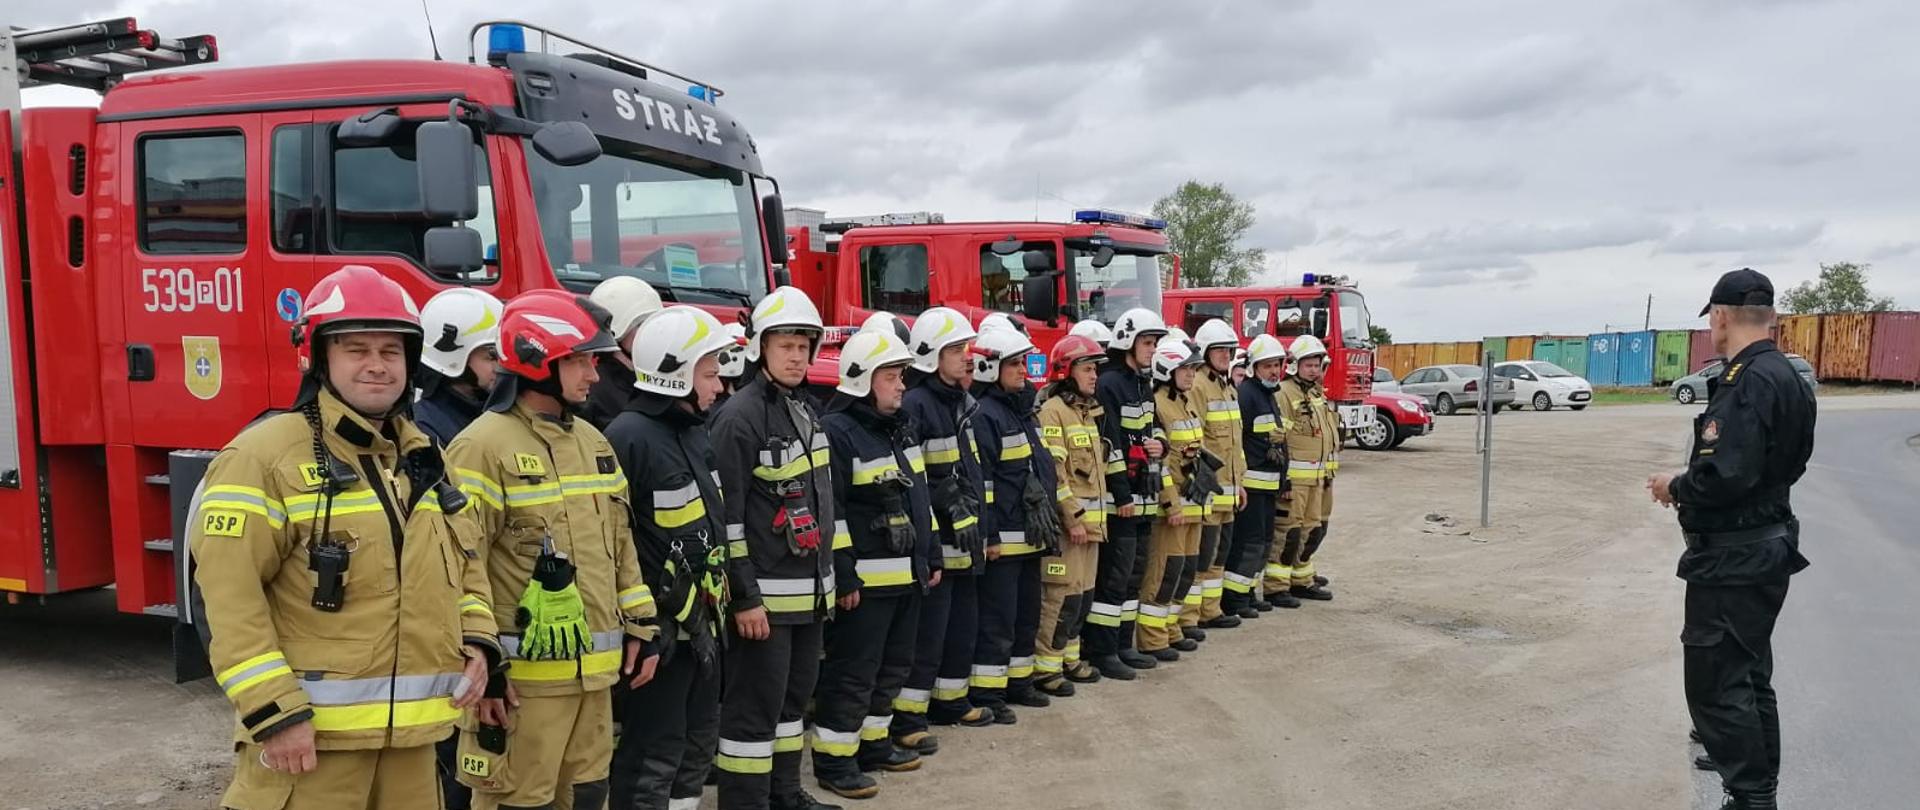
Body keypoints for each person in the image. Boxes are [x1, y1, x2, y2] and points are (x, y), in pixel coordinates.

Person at [191, 265, 496, 810]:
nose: (377, 366)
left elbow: (464, 561)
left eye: (391, 351)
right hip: (309, 749)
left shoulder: (426, 456)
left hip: (413, 746)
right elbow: (228, 601)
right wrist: (273, 712)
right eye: (356, 349)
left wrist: (476, 640)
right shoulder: (261, 457)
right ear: (319, 357)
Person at [447, 290, 661, 810]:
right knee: (519, 800)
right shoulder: (480, 447)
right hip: (522, 690)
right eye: (582, 361)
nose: (594, 375)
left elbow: (619, 545)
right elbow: (456, 565)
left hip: (593, 679)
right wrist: (484, 668)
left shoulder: (593, 441)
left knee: (588, 794)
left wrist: (642, 626)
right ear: (538, 360)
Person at [1647, 268, 1814, 810]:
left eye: (1712, 321)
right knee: (1749, 676)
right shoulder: (1786, 375)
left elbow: (1725, 476)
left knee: (1719, 686)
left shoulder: (1748, 381)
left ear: (1719, 317)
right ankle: (1757, 791)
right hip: (1763, 547)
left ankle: (1748, 797)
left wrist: (1675, 485)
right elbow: (1786, 464)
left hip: (1735, 559)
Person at [708, 287, 841, 810]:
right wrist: (745, 598)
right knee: (752, 712)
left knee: (791, 706)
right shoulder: (739, 418)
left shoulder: (801, 410)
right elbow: (729, 521)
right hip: (765, 603)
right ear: (759, 348)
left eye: (804, 346)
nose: (796, 356)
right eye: (785, 344)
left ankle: (785, 794)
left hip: (807, 600)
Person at [605, 306, 739, 810]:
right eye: (709, 374)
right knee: (653, 752)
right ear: (675, 372)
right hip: (659, 633)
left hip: (702, 625)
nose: (720, 387)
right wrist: (645, 627)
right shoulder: (628, 437)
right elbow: (618, 545)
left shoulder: (693, 432)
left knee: (696, 745)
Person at [812, 327, 938, 799]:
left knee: (892, 667)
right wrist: (844, 575)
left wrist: (929, 555)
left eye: (902, 374)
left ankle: (873, 744)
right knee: (854, 671)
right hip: (865, 583)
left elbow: (919, 499)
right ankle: (834, 760)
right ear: (863, 379)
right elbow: (834, 511)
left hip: (905, 575)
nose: (902, 384)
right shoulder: (838, 433)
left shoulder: (898, 427)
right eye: (891, 375)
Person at [893, 307, 995, 746]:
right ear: (932, 357)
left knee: (961, 628)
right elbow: (912, 479)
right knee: (927, 637)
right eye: (956, 350)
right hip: (938, 543)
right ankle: (908, 721)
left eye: (966, 348)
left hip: (966, 541)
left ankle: (951, 702)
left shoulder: (961, 403)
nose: (966, 357)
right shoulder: (918, 405)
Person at [968, 325, 1061, 718]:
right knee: (998, 620)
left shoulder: (1020, 411)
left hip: (1029, 535)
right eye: (1015, 364)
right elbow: (984, 482)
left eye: (1024, 362)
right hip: (1003, 542)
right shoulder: (986, 414)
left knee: (1026, 615)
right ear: (991, 368)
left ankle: (1019, 683)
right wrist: (989, 535)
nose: (1024, 370)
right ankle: (990, 694)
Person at [1086, 309, 1170, 678]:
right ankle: (1102, 652)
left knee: (1135, 575)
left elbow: (1156, 427)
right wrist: (1121, 497)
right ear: (1128, 343)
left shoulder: (1142, 383)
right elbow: (1112, 446)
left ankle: (1123, 644)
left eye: (1154, 344)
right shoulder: (1110, 385)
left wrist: (1161, 447)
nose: (1153, 350)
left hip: (1145, 495)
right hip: (1123, 503)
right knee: (1115, 577)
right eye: (1148, 343)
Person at [1031, 335, 1111, 693]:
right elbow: (1055, 474)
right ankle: (1046, 668)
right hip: (1071, 529)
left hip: (1092, 527)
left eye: (1096, 369)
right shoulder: (1053, 412)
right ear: (1066, 371)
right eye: (1088, 368)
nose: (1095, 376)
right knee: (1059, 596)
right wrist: (1073, 518)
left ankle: (1068, 658)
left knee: (1082, 595)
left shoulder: (1085, 411)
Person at [1138, 336, 1210, 660]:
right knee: (1164, 571)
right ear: (1167, 367)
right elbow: (1160, 461)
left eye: (1194, 369)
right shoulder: (1157, 405)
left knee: (1185, 568)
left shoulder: (1186, 401)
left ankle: (1171, 627)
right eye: (1186, 369)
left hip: (1194, 501)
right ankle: (1152, 637)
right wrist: (1170, 502)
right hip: (1174, 505)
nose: (1191, 375)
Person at [1265, 336, 1338, 603]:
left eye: (1317, 364)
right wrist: (1283, 480)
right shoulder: (1284, 393)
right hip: (1295, 481)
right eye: (1308, 364)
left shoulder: (1316, 393)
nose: (1313, 369)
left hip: (1319, 478)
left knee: (1313, 530)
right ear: (1295, 365)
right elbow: (1277, 438)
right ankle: (1276, 586)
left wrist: (1328, 474)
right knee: (1289, 533)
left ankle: (1301, 579)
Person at [1223, 334, 1291, 618]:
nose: (1274, 371)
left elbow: (1277, 440)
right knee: (1248, 542)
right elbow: (1238, 441)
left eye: (1277, 365)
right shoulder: (1247, 395)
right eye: (1268, 366)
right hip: (1251, 484)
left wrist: (1284, 478)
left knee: (1263, 541)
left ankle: (1249, 591)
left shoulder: (1268, 395)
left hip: (1269, 485)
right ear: (1254, 368)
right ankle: (1235, 599)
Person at [1186, 319, 1247, 634]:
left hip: (1229, 489)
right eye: (1220, 350)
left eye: (1230, 350)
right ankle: (1192, 616)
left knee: (1219, 554)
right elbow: (1194, 439)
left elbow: (1235, 443)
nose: (1226, 355)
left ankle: (1211, 610)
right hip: (1208, 490)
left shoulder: (1228, 387)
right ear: (1206, 352)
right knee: (1202, 555)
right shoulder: (1198, 385)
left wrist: (1241, 484)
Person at [416, 287, 504, 447]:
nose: (500, 366)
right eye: (492, 356)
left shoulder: (493, 409)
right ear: (453, 357)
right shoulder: (426, 428)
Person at [582, 277, 665, 430]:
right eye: (641, 325)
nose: (654, 333)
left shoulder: (659, 382)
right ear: (615, 332)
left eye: (656, 323)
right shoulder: (593, 392)